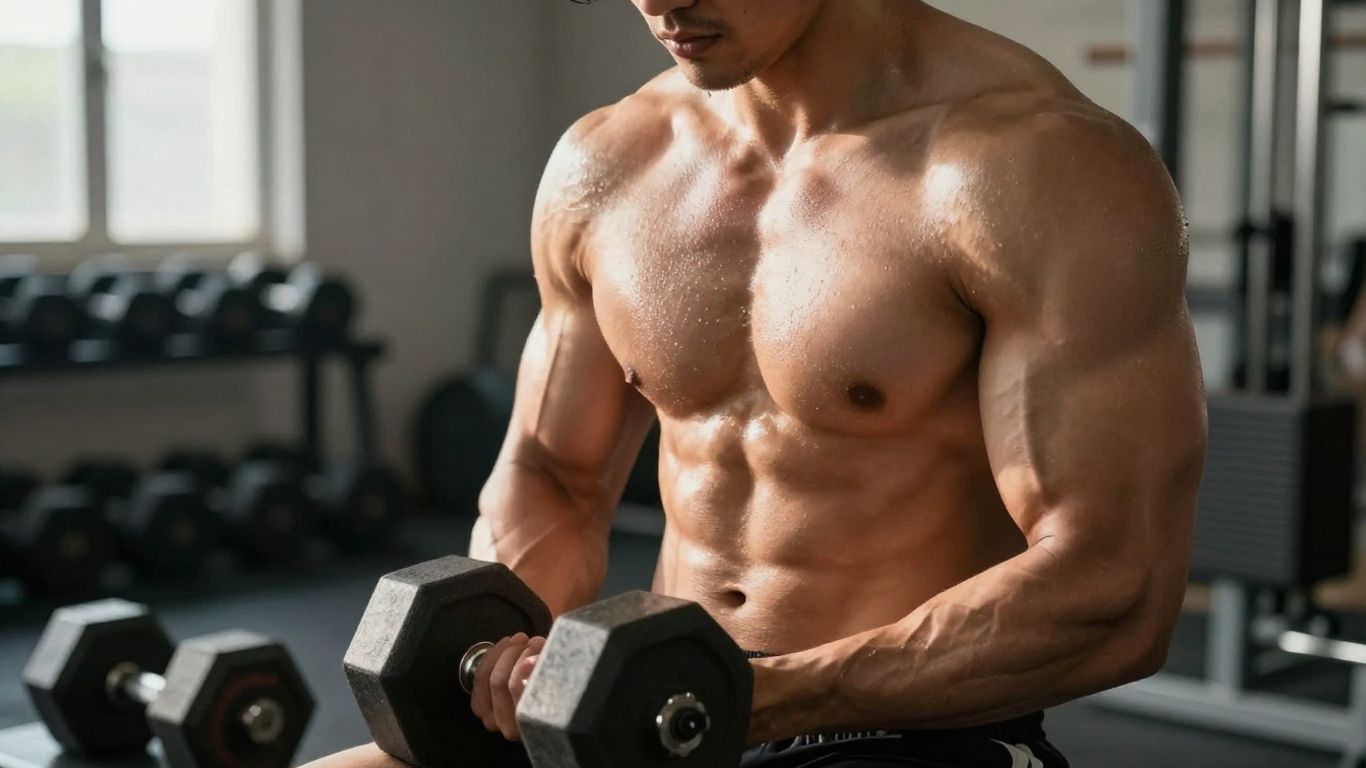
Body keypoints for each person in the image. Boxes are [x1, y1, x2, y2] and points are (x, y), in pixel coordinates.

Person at [311, 1, 1206, 765]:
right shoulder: (609, 163)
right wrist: (511, 651)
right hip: (652, 702)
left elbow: (1112, 585)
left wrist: (760, 695)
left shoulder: (1038, 168)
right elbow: (555, 471)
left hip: (902, 729)